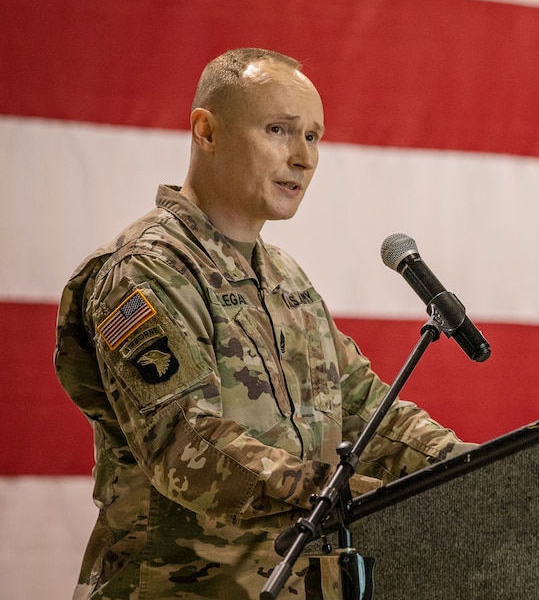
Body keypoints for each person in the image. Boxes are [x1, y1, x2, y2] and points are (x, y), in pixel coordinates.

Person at [54, 47, 474, 598]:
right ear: (207, 131)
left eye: (314, 137)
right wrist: (351, 497)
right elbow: (186, 444)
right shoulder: (144, 270)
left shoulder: (286, 279)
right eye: (279, 129)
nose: (303, 157)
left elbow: (365, 411)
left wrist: (475, 471)